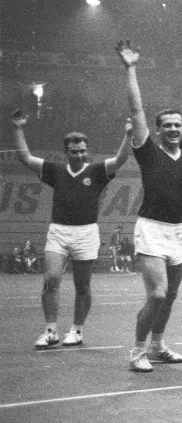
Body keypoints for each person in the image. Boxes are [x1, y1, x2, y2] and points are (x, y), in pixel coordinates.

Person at [117, 40, 182, 373]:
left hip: (179, 232)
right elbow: (136, 109)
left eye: (177, 124)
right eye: (167, 125)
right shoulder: (146, 149)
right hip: (151, 230)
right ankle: (137, 351)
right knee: (156, 295)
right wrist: (130, 68)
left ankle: (158, 346)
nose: (173, 128)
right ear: (157, 131)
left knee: (170, 296)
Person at [11, 109, 133, 349]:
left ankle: (77, 330)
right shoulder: (55, 170)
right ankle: (50, 331)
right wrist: (17, 128)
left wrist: (128, 135)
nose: (79, 154)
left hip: (87, 233)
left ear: (87, 151)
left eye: (83, 151)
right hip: (59, 232)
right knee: (51, 279)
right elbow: (25, 158)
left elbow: (120, 159)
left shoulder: (97, 171)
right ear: (65, 153)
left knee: (83, 286)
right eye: (74, 151)